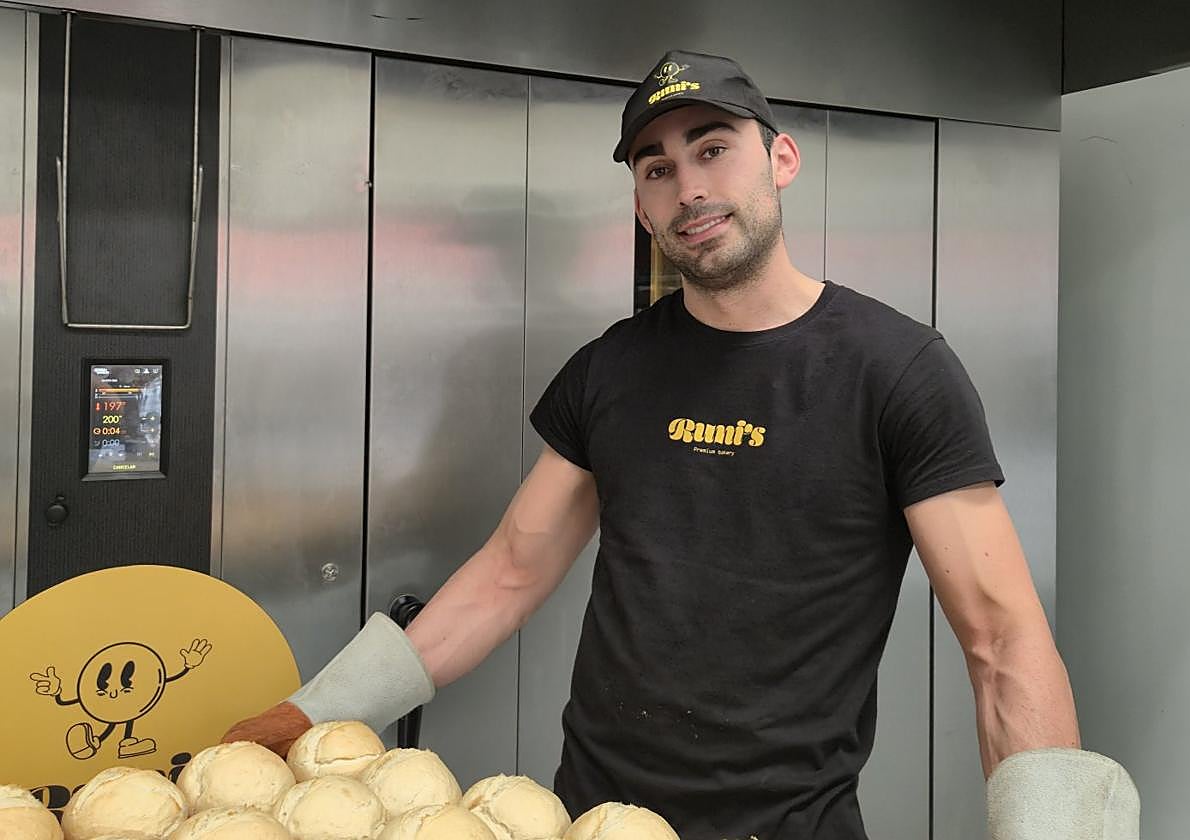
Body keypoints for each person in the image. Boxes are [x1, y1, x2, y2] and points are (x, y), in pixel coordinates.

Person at [225, 50, 1139, 840]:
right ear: (640, 205)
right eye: (656, 168)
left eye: (713, 149)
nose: (689, 185)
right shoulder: (610, 370)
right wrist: (312, 713)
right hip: (593, 815)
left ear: (780, 159)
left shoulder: (896, 370)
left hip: (787, 824)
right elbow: (509, 570)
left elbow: (1002, 637)